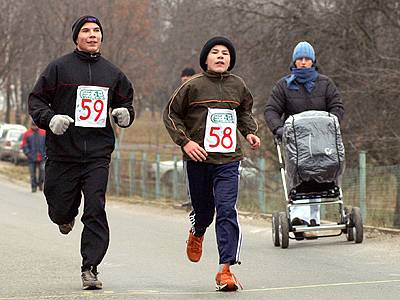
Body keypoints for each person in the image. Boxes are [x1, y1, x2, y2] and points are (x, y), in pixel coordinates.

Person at [28, 15, 135, 290]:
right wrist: (50, 118)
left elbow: (127, 103)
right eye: (86, 31)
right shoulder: (59, 68)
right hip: (63, 152)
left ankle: (90, 267)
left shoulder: (113, 73)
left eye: (96, 31)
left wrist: (125, 115)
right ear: (76, 37)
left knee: (96, 207)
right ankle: (64, 216)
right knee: (59, 208)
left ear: (101, 37)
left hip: (97, 154)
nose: (92, 35)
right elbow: (36, 99)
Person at [163, 36, 260, 291]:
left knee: (227, 209)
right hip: (199, 158)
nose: (220, 56)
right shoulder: (192, 86)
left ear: (231, 60)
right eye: (215, 52)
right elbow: (171, 114)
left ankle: (225, 270)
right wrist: (185, 142)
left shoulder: (238, 85)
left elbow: (244, 112)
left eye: (225, 53)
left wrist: (249, 131)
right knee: (204, 211)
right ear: (205, 58)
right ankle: (197, 229)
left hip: (228, 159)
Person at [264, 41, 344, 237]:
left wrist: (332, 123)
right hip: (296, 143)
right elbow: (271, 110)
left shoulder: (325, 84)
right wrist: (279, 129)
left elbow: (337, 107)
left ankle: (312, 220)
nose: (303, 62)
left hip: (322, 140)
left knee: (321, 173)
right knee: (300, 175)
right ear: (294, 61)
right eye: (299, 59)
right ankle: (300, 218)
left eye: (307, 59)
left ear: (313, 61)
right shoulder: (284, 86)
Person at [21, 121, 46, 192]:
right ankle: (33, 187)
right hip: (31, 158)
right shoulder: (27, 133)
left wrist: (45, 153)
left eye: (36, 125)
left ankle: (40, 184)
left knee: (42, 172)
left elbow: (47, 144)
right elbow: (24, 145)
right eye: (33, 126)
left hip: (42, 157)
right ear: (31, 125)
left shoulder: (43, 132)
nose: (35, 127)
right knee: (32, 174)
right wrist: (28, 153)